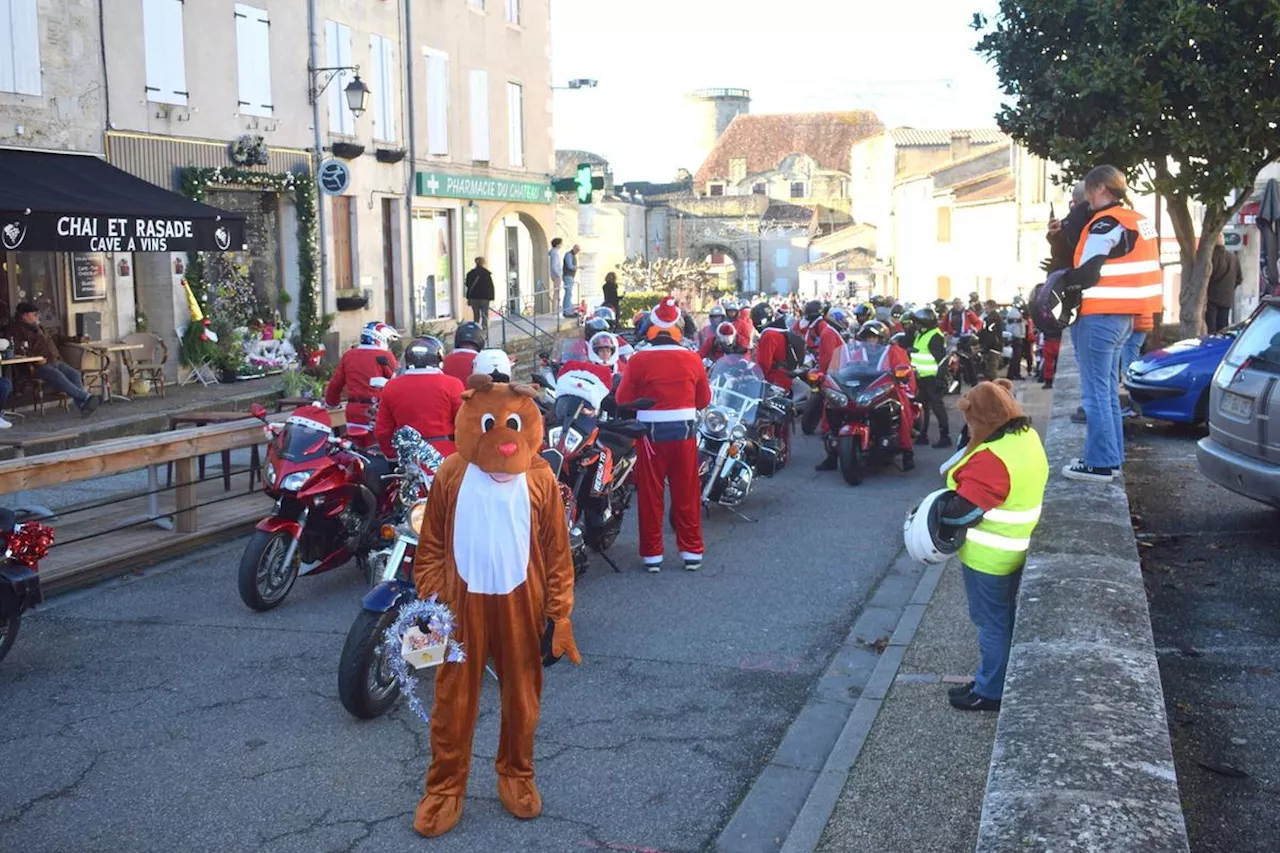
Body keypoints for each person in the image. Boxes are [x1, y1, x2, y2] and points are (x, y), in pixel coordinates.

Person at [410, 374, 580, 838]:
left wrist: (559, 614)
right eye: (489, 426)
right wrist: (431, 597)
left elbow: (557, 553)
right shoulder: (450, 473)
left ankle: (517, 774)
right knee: (452, 700)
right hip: (458, 606)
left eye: (512, 428)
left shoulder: (540, 479)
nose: (504, 445)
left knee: (522, 699)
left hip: (521, 606)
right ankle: (445, 787)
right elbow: (430, 546)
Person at [938, 379, 1048, 711]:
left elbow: (960, 513)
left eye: (970, 420)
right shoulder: (1023, 436)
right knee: (1003, 618)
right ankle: (997, 677)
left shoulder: (992, 459)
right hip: (1017, 547)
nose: (967, 425)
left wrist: (932, 518)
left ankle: (990, 691)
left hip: (990, 558)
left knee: (992, 624)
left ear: (983, 418)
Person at [1058, 165, 1162, 482]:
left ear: (1101, 188)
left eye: (1089, 191)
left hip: (1100, 315)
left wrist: (1060, 284)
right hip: (1127, 317)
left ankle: (1100, 462)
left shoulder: (1105, 222)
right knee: (1106, 391)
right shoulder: (1140, 221)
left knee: (1095, 392)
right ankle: (1111, 457)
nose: (1087, 199)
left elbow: (1089, 272)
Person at [614, 298, 711, 573]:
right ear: (679, 328)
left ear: (653, 327)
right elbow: (703, 400)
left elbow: (623, 399)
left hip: (649, 436)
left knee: (650, 495)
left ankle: (652, 555)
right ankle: (692, 551)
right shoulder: (693, 359)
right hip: (684, 434)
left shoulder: (639, 359)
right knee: (687, 494)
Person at [816, 320, 916, 472]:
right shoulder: (854, 352)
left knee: (902, 408)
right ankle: (831, 455)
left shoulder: (894, 351)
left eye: (874, 338)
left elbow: (905, 372)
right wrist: (836, 378)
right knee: (829, 405)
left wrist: (904, 381)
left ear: (882, 339)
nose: (871, 341)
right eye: (867, 338)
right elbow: (843, 368)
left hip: (885, 389)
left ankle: (907, 452)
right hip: (859, 390)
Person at [374, 337, 464, 459]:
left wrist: (392, 455)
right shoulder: (452, 384)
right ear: (439, 358)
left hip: (410, 458)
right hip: (447, 457)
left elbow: (383, 431)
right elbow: (463, 425)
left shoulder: (391, 387)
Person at [6, 303, 99, 418]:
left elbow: (56, 338)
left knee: (74, 374)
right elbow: (19, 351)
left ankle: (83, 405)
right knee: (55, 375)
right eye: (34, 314)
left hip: (55, 361)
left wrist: (77, 339)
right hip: (36, 366)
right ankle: (86, 397)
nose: (37, 317)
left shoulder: (39, 327)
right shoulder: (16, 330)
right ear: (24, 316)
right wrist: (35, 358)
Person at [324, 321, 399, 429]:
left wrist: (332, 403)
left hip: (353, 412)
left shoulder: (349, 355)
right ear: (380, 338)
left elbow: (335, 384)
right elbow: (397, 383)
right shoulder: (385, 356)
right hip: (376, 412)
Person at [907, 307, 951, 448]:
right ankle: (923, 435)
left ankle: (945, 437)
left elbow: (942, 360)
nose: (915, 325)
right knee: (923, 408)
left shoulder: (935, 336)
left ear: (924, 323)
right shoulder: (921, 334)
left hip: (932, 378)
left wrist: (940, 378)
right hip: (920, 377)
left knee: (937, 408)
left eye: (917, 322)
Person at [1205, 234, 1242, 334]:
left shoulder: (1209, 257)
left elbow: (1204, 277)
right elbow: (1239, 279)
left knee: (1211, 330)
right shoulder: (1233, 258)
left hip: (1211, 298)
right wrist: (1229, 288)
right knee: (1223, 328)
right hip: (1226, 298)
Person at [463, 257, 495, 332]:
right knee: (484, 316)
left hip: (474, 298)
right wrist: (491, 297)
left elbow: (468, 285)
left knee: (476, 316)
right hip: (484, 298)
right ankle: (484, 331)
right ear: (483, 263)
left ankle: (476, 331)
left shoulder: (470, 273)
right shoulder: (486, 273)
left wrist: (469, 297)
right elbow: (490, 286)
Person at [978, 300, 1005, 382]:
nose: (984, 308)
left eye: (985, 306)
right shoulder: (993, 317)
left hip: (993, 346)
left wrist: (985, 346)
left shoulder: (992, 318)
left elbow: (990, 334)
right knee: (991, 369)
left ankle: (996, 389)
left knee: (992, 369)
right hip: (994, 345)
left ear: (989, 306)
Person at [1005, 304, 1026, 380]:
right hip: (1016, 337)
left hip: (1015, 337)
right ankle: (1013, 374)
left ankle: (1014, 373)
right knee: (1016, 357)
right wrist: (1020, 335)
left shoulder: (1013, 312)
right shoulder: (1015, 313)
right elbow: (1016, 326)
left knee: (1016, 357)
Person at [562, 244, 580, 316]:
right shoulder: (568, 255)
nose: (577, 252)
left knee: (569, 293)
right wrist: (578, 267)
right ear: (574, 248)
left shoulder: (572, 255)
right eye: (577, 250)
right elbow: (570, 266)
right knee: (568, 293)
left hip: (571, 276)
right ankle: (567, 311)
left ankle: (568, 310)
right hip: (568, 275)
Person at [549, 238, 564, 313]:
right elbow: (554, 266)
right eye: (561, 243)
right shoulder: (555, 253)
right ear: (558, 244)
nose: (561, 245)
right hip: (556, 275)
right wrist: (558, 274)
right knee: (556, 292)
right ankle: (555, 310)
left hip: (555, 274)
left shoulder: (553, 252)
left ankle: (556, 309)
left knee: (557, 292)